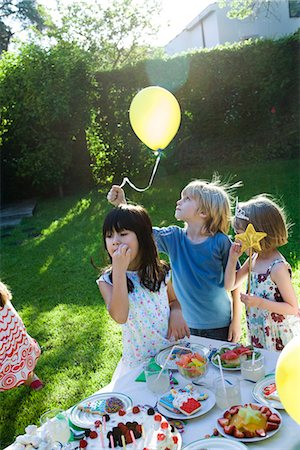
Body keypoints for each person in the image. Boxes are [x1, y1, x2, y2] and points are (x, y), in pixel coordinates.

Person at [107, 179, 242, 343]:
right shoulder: (173, 237)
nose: (179, 201)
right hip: (185, 324)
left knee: (221, 366)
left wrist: (236, 322)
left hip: (220, 324)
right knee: (191, 366)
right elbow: (141, 232)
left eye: (187, 199)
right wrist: (122, 204)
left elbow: (235, 283)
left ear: (204, 213)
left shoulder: (221, 242)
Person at [97, 204, 190, 369]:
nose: (115, 241)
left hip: (170, 353)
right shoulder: (107, 281)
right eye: (109, 236)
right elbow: (120, 316)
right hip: (139, 363)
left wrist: (176, 312)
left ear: (142, 237)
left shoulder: (159, 271)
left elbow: (173, 301)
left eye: (123, 234)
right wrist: (119, 271)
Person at [225, 195, 300, 351]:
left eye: (240, 234)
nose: (237, 239)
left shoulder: (277, 268)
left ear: (259, 233)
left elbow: (292, 308)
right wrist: (232, 260)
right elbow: (230, 285)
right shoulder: (254, 258)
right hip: (258, 331)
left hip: (278, 336)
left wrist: (259, 303)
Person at [0, 281, 43, 391]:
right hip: (17, 345)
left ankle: (28, 376)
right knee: (19, 360)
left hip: (8, 349)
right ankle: (29, 376)